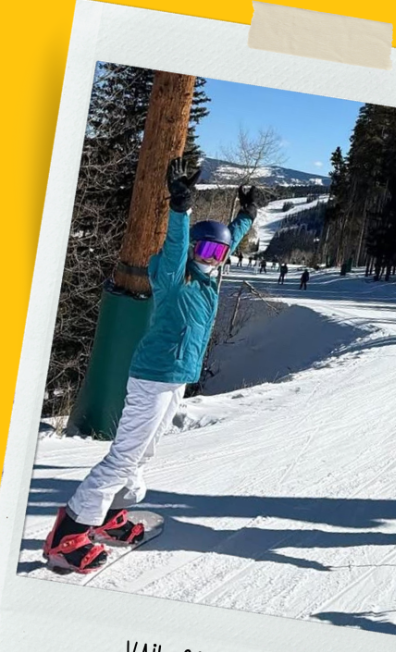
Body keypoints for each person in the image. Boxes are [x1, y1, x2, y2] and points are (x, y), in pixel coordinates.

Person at [42, 158, 256, 572]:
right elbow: (175, 249)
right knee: (124, 457)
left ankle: (107, 518)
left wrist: (246, 215)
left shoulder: (209, 278)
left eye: (219, 253)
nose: (212, 258)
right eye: (205, 249)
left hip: (174, 380)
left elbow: (228, 240)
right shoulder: (176, 275)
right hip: (154, 378)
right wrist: (181, 209)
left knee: (142, 456)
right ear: (193, 248)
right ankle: (66, 535)